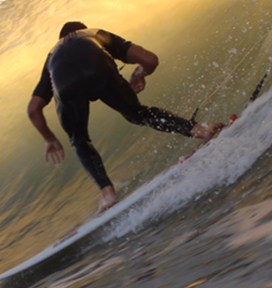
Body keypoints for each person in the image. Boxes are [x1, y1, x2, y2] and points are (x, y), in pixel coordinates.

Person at [27, 21, 225, 213]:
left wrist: (50, 139)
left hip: (64, 82)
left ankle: (108, 194)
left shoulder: (52, 57)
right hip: (98, 66)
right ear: (83, 30)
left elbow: (33, 109)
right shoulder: (95, 35)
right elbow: (151, 59)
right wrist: (139, 73)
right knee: (139, 114)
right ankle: (202, 130)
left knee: (79, 140)